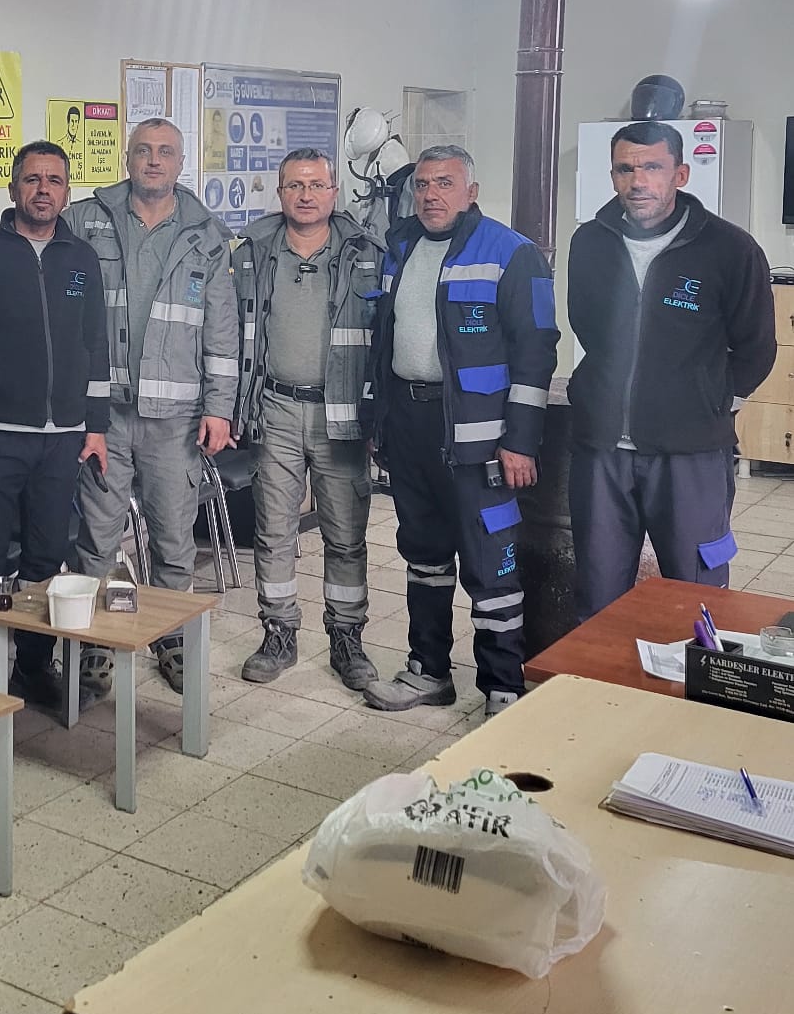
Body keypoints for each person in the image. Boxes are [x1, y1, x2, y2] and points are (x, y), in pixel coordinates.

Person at [0, 116, 237, 697]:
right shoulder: (89, 219)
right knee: (93, 544)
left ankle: (170, 641)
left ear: (181, 163)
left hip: (166, 419)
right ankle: (91, 649)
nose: (153, 161)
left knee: (172, 540)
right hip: (80, 423)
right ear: (127, 158)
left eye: (166, 152)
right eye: (144, 150)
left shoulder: (206, 234)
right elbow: (25, 231)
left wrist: (220, 405)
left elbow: (221, 326)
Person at [363, 145, 558, 717]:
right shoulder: (399, 246)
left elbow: (537, 353)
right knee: (423, 554)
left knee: (489, 563)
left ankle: (503, 687)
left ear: (471, 191)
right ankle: (428, 670)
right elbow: (383, 341)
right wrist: (380, 422)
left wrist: (520, 439)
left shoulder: (511, 253)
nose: (431, 195)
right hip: (411, 426)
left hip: (481, 439)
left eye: (445, 183)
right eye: (423, 184)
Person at [567, 121, 776, 616]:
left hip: (691, 454)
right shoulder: (590, 242)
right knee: (599, 596)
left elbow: (756, 347)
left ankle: (693, 670)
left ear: (680, 174)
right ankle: (605, 670)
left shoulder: (730, 249)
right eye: (625, 169)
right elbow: (585, 325)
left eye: (652, 167)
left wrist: (712, 402)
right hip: (603, 453)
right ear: (613, 176)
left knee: (697, 592)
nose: (638, 181)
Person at [0, 142, 110, 708]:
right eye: (33, 179)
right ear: (13, 187)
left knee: (44, 559)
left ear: (66, 191)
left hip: (61, 439)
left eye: (54, 181)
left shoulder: (82, 258)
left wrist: (95, 426)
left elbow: (95, 344)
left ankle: (35, 665)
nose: (43, 190)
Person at [231, 148, 384, 688]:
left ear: (334, 193)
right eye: (295, 185)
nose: (306, 195)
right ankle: (278, 633)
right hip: (275, 407)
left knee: (345, 534)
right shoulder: (252, 252)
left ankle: (347, 638)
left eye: (317, 185)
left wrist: (378, 416)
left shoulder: (368, 253)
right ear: (280, 193)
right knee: (274, 530)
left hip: (342, 413)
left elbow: (384, 339)